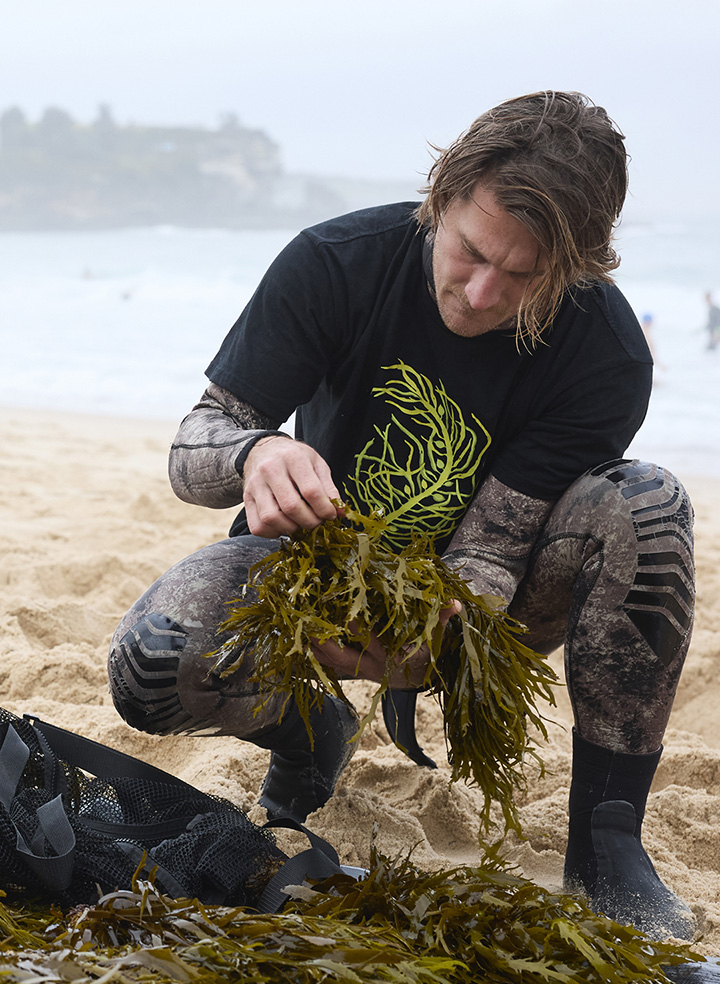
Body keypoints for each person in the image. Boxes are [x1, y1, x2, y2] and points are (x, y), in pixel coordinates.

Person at [108, 91, 695, 939]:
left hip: (483, 609)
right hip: (310, 578)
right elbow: (193, 446)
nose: (483, 291)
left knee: (647, 502)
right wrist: (257, 453)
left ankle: (607, 841)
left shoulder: (604, 350)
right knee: (151, 668)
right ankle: (311, 733)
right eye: (470, 250)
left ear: (581, 267)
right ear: (440, 196)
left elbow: (494, 546)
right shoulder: (337, 261)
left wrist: (434, 635)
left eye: (524, 275)